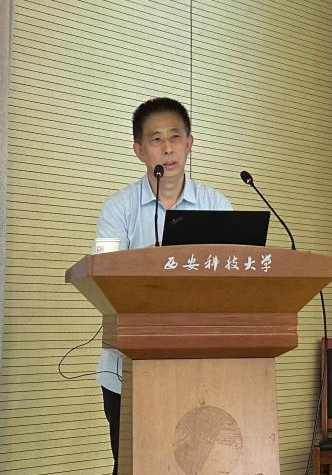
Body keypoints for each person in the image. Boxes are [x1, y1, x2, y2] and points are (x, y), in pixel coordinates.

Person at [93, 97, 232, 474]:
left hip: (203, 362)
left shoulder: (217, 205)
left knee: (197, 466)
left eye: (175, 136)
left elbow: (235, 278)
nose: (167, 147)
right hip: (126, 367)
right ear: (139, 150)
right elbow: (101, 275)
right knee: (134, 464)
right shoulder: (118, 208)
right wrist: (146, 262)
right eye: (156, 139)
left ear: (190, 143)